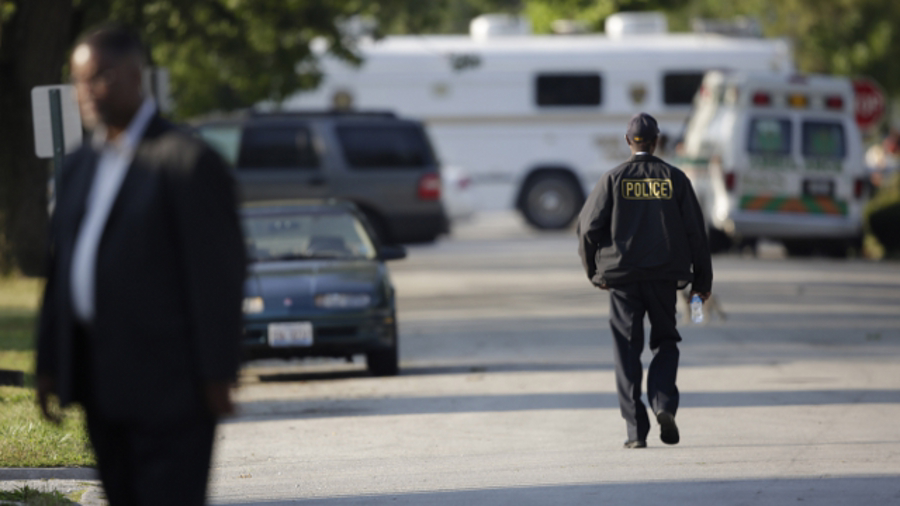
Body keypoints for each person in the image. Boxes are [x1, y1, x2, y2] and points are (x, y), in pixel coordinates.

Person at [35, 25, 246, 505]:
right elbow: (62, 270)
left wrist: (218, 373)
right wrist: (51, 363)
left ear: (136, 76)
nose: (86, 92)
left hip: (173, 386)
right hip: (101, 382)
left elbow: (218, 274)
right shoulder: (84, 164)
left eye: (100, 77)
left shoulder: (186, 161)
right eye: (78, 80)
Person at [576, 113, 712, 449]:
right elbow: (697, 233)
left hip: (622, 280)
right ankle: (664, 404)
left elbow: (587, 229)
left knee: (626, 352)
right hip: (665, 277)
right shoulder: (675, 178)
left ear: (628, 142)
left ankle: (636, 432)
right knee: (665, 342)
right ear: (658, 141)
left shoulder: (613, 178)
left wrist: (593, 272)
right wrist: (701, 282)